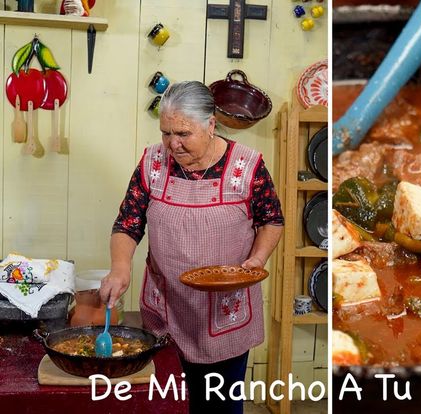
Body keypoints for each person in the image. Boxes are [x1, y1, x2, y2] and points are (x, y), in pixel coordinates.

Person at [99, 81, 284, 414]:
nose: (173, 144)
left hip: (224, 313)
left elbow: (272, 220)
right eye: (166, 133)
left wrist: (257, 258)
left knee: (219, 408)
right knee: (168, 405)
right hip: (166, 308)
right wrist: (120, 267)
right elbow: (128, 222)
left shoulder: (247, 166)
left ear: (211, 125)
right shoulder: (152, 163)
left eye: (183, 133)